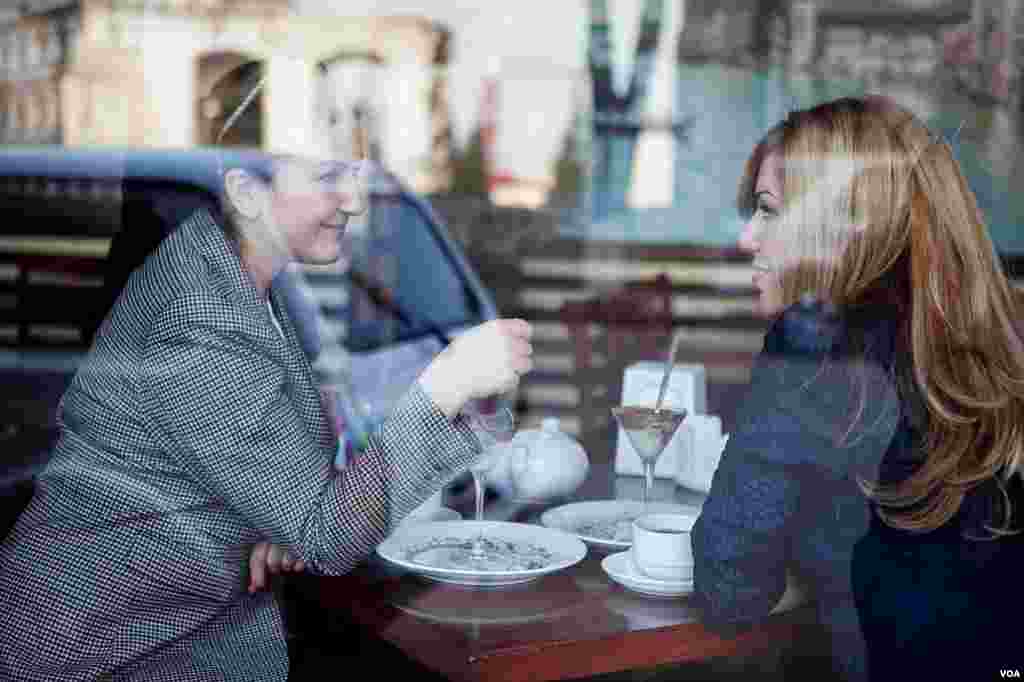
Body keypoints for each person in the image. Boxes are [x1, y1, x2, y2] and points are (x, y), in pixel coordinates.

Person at [0, 151, 533, 681]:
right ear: (245, 193)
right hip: (94, 657)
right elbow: (326, 535)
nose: (352, 201)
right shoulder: (203, 322)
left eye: (354, 178)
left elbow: (275, 477)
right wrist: (447, 382)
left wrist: (280, 519)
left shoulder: (240, 279)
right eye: (328, 176)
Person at [690, 95, 1024, 681]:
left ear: (837, 226)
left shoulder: (816, 351)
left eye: (769, 211)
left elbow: (728, 590)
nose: (747, 237)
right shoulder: (998, 350)